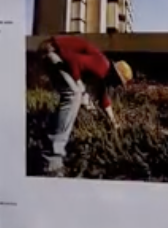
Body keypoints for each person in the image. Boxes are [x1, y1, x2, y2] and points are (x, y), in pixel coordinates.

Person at [38, 35, 133, 176]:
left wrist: (113, 123)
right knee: (74, 94)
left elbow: (104, 99)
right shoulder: (102, 65)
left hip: (57, 54)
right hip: (52, 50)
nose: (116, 86)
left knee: (79, 96)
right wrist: (79, 87)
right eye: (118, 82)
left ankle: (53, 146)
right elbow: (73, 60)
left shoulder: (102, 75)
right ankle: (52, 162)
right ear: (114, 74)